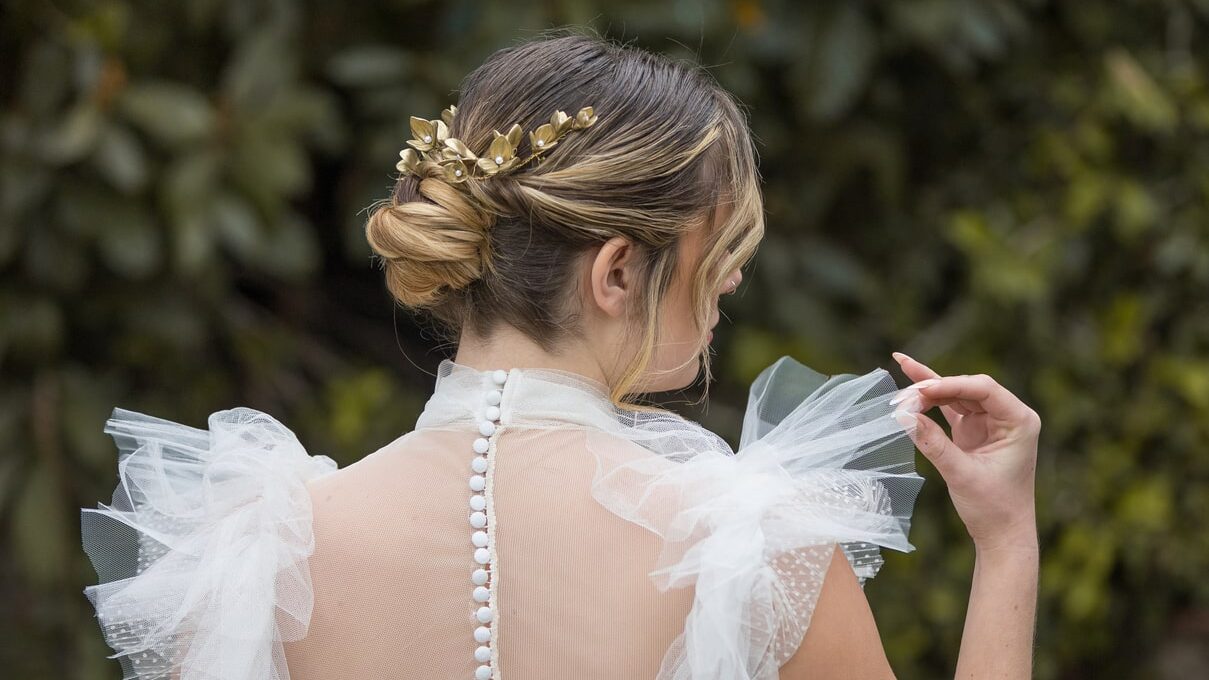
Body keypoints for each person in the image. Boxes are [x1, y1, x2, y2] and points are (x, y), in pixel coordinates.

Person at [80, 32, 1039, 680]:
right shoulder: (754, 546)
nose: (732, 287)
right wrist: (1003, 545)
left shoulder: (252, 548)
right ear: (617, 272)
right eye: (720, 256)